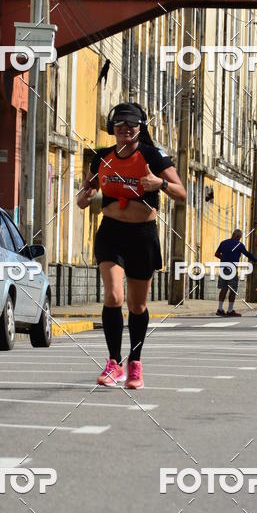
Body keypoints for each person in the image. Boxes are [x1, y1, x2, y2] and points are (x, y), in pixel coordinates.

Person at [77, 102, 186, 388]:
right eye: (120, 125)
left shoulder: (153, 156)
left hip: (142, 236)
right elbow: (85, 190)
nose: (125, 129)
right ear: (112, 127)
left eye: (131, 125)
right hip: (111, 232)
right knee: (113, 297)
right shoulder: (101, 157)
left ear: (140, 128)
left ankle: (134, 363)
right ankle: (114, 363)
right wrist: (84, 197)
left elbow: (181, 193)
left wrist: (158, 184)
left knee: (137, 305)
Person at [214, 229, 257, 316]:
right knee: (233, 290)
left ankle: (219, 309)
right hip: (232, 270)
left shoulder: (223, 243)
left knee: (224, 289)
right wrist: (256, 260)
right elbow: (247, 254)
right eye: (240, 238)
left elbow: (216, 254)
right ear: (238, 236)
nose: (239, 239)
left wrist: (224, 259)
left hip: (223, 268)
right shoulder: (239, 244)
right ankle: (230, 311)